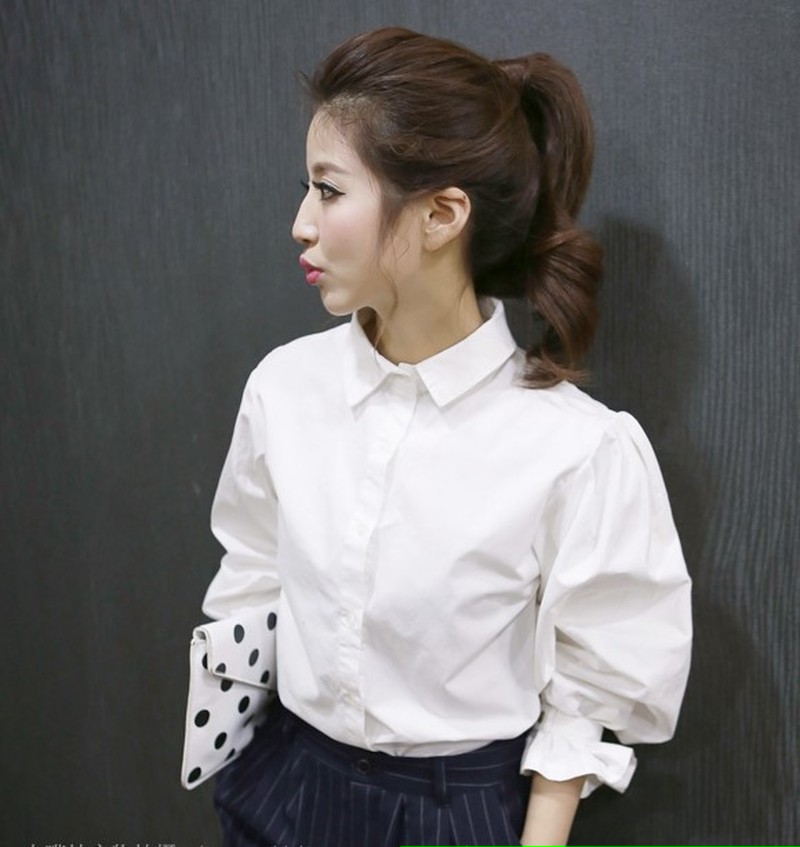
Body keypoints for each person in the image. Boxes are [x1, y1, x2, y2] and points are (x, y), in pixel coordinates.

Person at [195, 27, 692, 847]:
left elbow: (590, 686)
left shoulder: (573, 447)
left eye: (328, 190)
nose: (300, 224)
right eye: (307, 188)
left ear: (441, 214)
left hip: (453, 812)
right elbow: (251, 573)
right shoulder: (285, 389)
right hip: (285, 784)